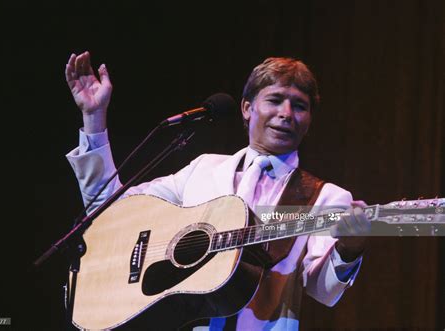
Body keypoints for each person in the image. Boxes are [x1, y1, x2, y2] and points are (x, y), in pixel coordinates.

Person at [65, 51, 371, 330]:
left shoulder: (325, 197)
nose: (287, 113)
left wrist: (349, 249)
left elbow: (324, 290)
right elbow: (109, 209)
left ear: (309, 121)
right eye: (275, 100)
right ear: (248, 108)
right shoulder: (204, 169)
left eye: (299, 106)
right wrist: (94, 119)